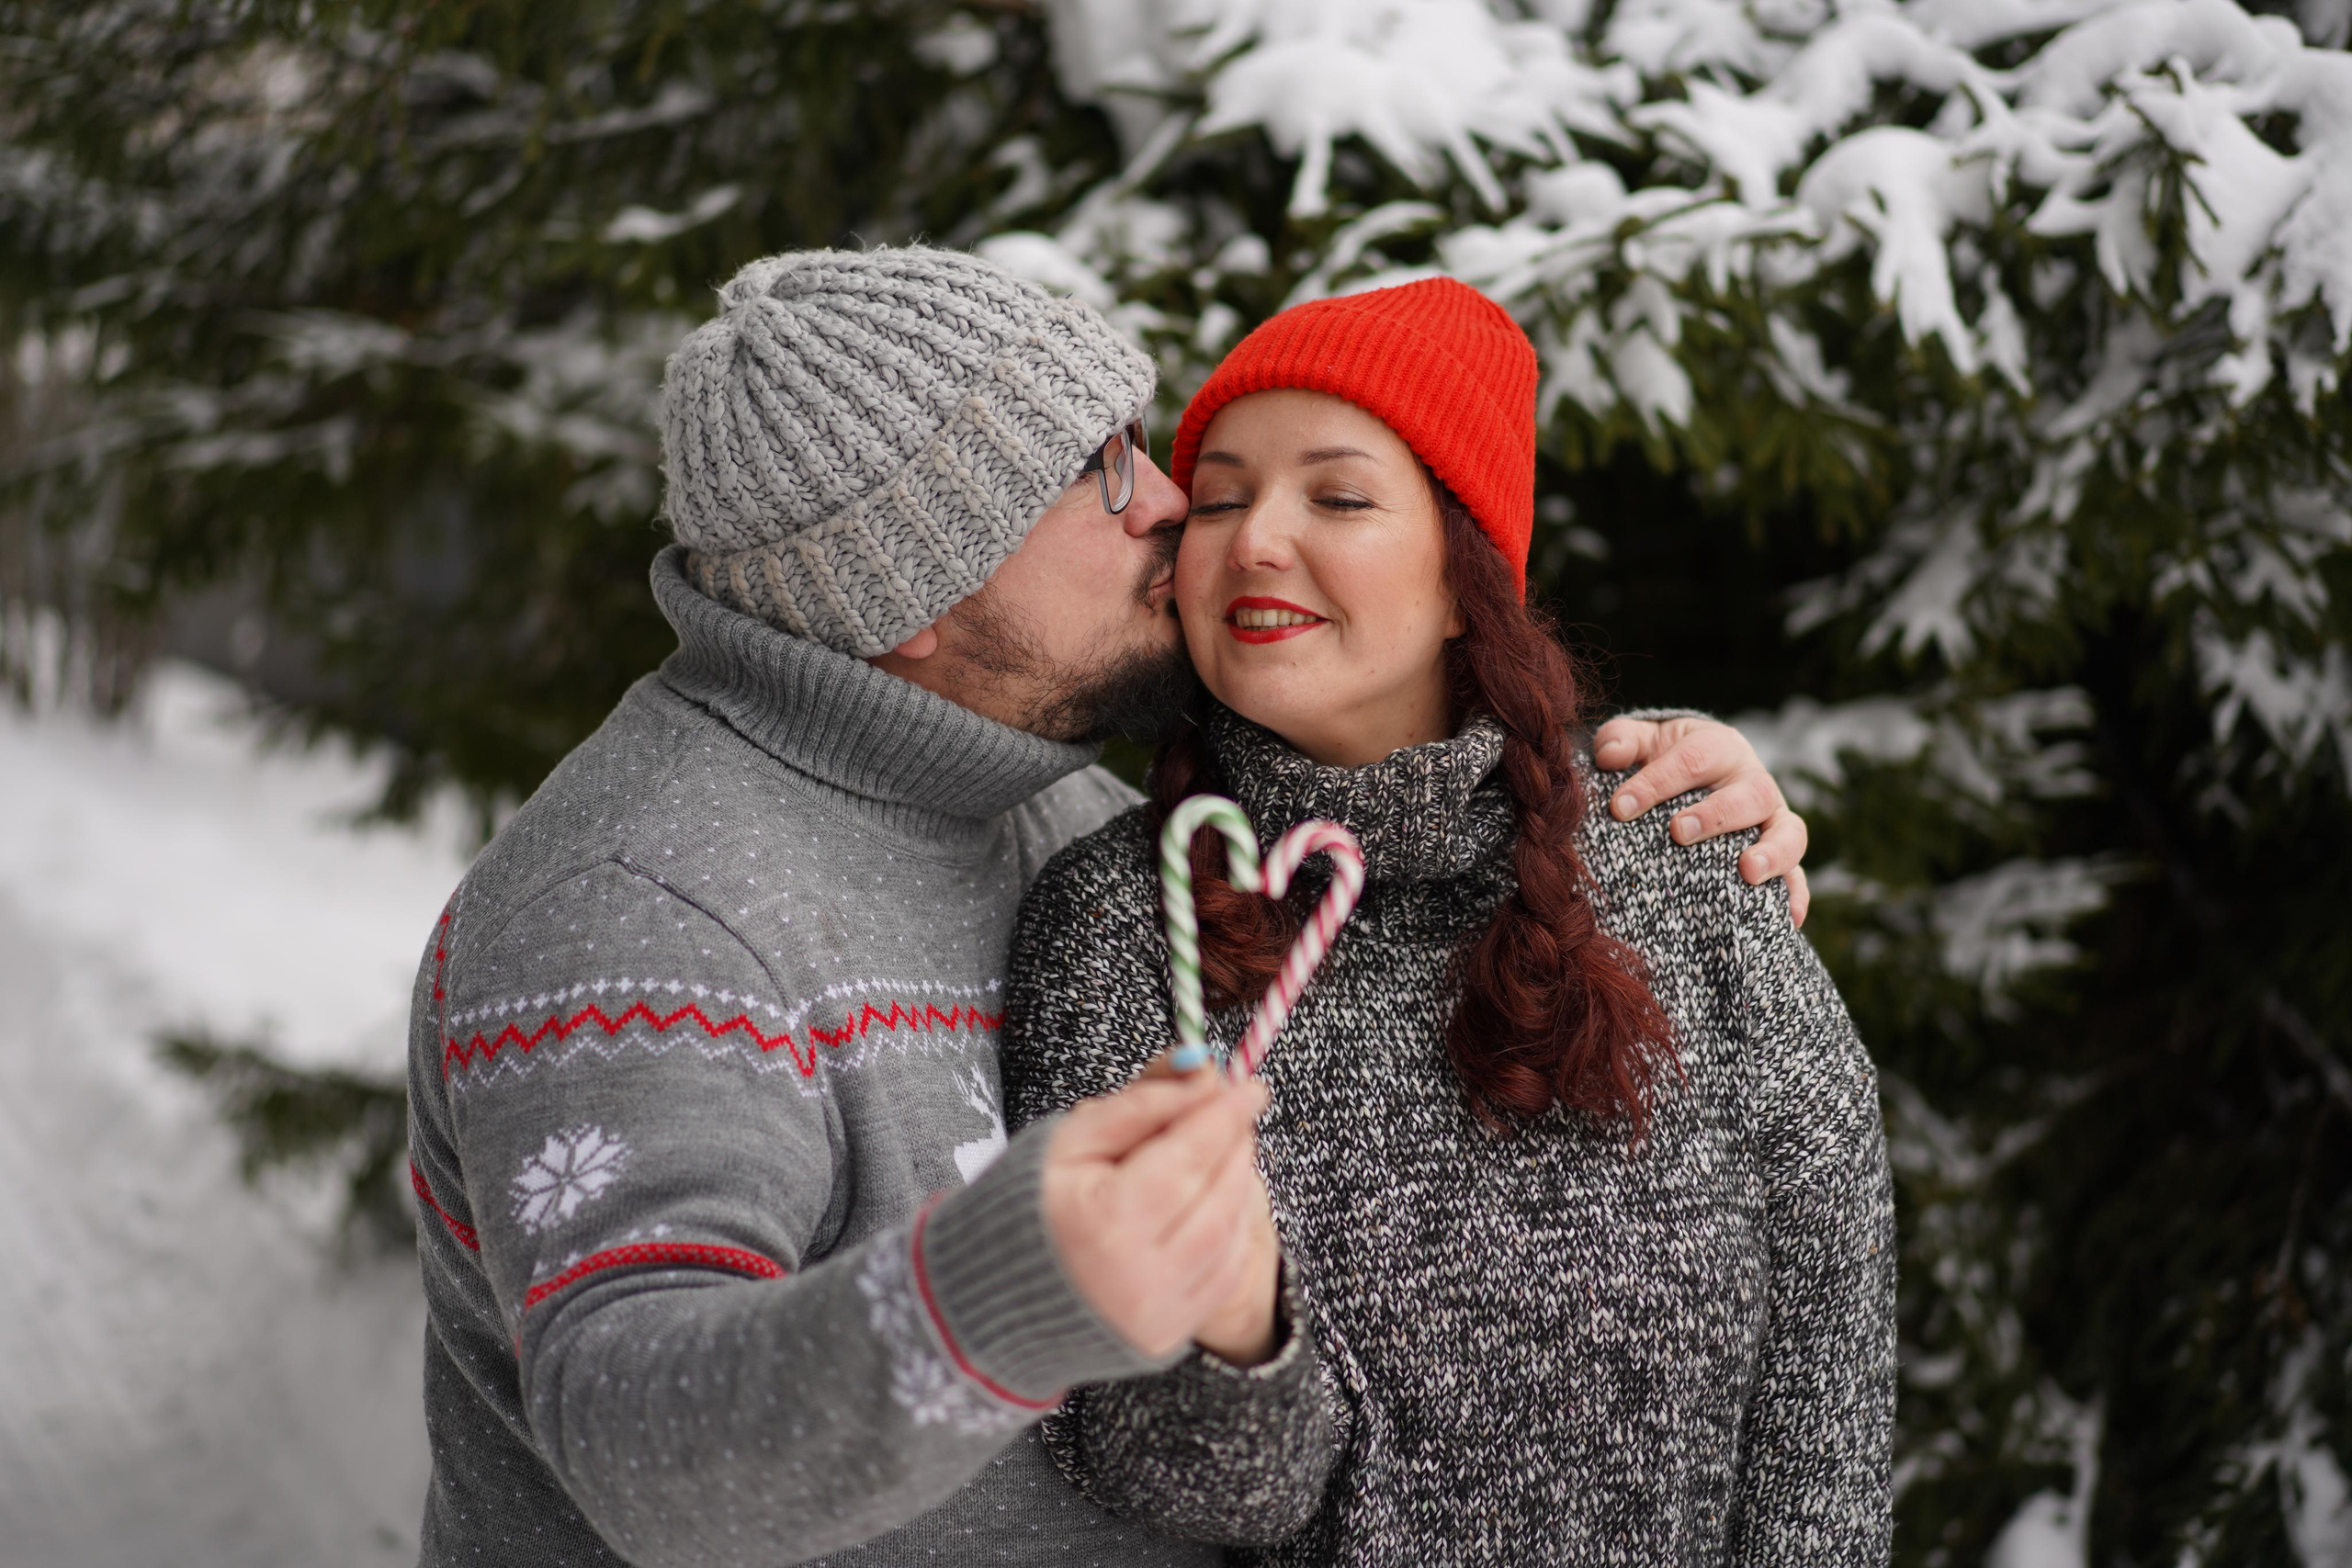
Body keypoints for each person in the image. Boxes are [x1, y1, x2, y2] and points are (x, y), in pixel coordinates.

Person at [404, 246, 1819, 1568]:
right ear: (918, 590)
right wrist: (1002, 1286)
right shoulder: (640, 910)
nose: (1168, 503)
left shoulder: (1056, 810)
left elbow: (1383, 745)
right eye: (1097, 471)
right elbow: (637, 1441)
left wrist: (1635, 805)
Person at [1001, 277, 1896, 1563]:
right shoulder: (1123, 932)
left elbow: (1829, 1389)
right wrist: (1230, 1326)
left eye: (1340, 495)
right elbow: (1170, 1485)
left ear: (1467, 573)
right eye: (1223, 495)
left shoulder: (1679, 864)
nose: (1255, 539)